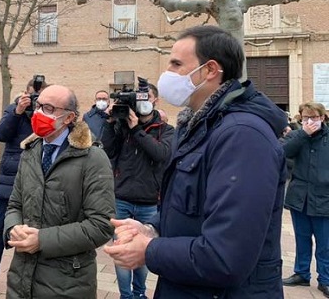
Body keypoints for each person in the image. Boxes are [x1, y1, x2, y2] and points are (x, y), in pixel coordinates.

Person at [103, 25, 288, 298]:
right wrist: (152, 227)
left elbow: (226, 257)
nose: (166, 73)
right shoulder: (200, 126)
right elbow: (191, 207)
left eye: (176, 64)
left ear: (210, 70)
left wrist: (149, 250)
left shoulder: (242, 135)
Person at [3, 84, 116, 298]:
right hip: (21, 276)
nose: (38, 113)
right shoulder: (30, 151)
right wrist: (12, 228)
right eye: (38, 105)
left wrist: (42, 240)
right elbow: (14, 204)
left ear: (68, 118)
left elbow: (101, 225)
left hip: (68, 282)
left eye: (48, 108)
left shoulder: (92, 158)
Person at [101, 81, 174, 299]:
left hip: (149, 202)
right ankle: (126, 296)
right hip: (121, 198)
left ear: (155, 100)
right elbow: (107, 150)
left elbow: (161, 154)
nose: (142, 101)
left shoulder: (166, 130)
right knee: (122, 250)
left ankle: (140, 293)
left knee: (141, 251)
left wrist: (137, 130)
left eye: (147, 97)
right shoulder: (122, 127)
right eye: (138, 98)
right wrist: (110, 122)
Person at [0, 78, 47, 299]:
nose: (35, 100)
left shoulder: (47, 113)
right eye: (32, 95)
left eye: (39, 97)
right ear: (23, 93)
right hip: (11, 179)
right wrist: (18, 111)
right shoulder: (14, 108)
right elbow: (1, 135)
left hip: (40, 181)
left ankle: (34, 280)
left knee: (37, 232)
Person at [281, 102, 329, 297]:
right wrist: (303, 134)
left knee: (324, 243)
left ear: (323, 118)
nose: (310, 121)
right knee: (301, 238)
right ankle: (301, 273)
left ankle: (325, 279)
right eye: (306, 118)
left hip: (324, 198)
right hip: (300, 196)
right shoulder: (297, 136)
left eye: (314, 118)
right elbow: (282, 152)